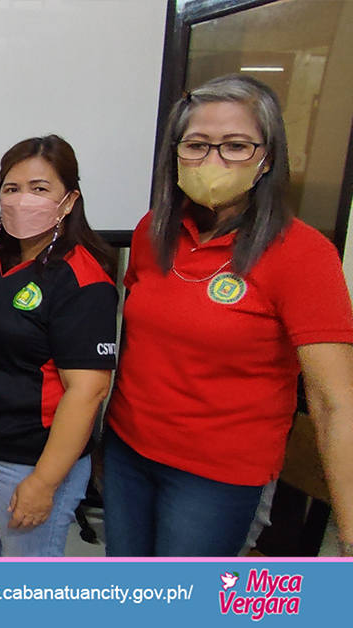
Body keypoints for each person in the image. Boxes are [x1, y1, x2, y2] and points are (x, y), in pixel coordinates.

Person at [105, 73, 353, 557]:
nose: (212, 161)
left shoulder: (302, 253)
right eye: (196, 145)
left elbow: (333, 402)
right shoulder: (152, 231)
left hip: (217, 477)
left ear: (267, 159)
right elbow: (138, 341)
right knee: (131, 592)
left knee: (188, 605)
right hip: (128, 453)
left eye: (236, 146)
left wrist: (349, 530)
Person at [0, 135, 117, 557]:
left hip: (28, 458)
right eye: (11, 188)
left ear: (69, 200)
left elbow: (89, 390)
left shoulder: (82, 280)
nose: (23, 201)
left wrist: (43, 482)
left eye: (39, 189)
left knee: (27, 577)